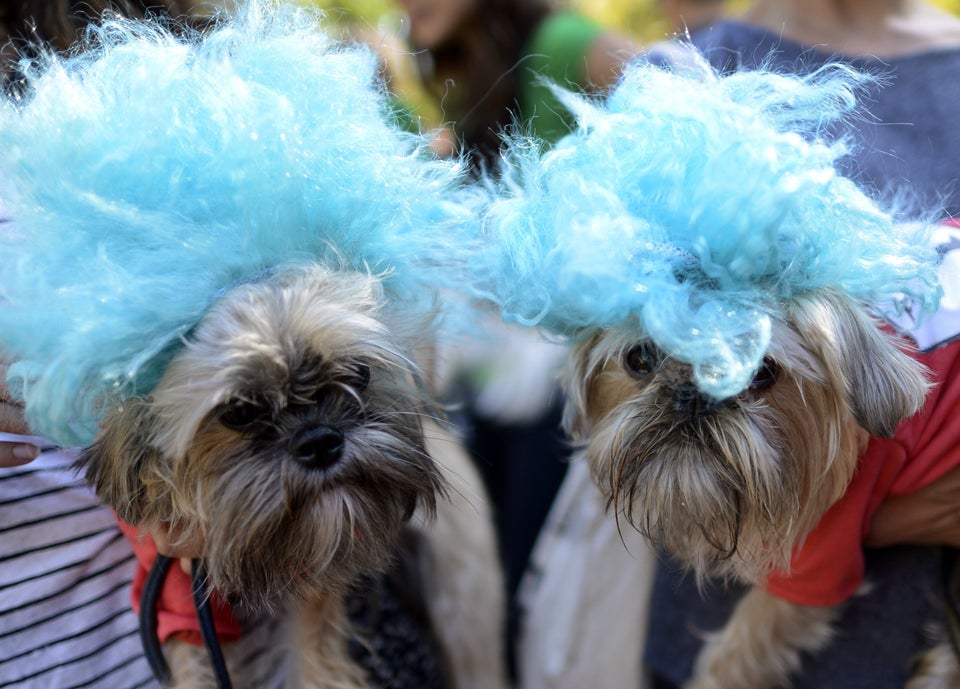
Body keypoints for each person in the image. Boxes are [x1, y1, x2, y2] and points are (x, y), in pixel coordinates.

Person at [0, 4, 449, 688]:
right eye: (245, 412)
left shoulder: (247, 112)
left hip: (277, 623)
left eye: (350, 377)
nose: (315, 434)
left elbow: (413, 339)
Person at [642, 2, 960, 687]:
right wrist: (888, 518)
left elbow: (804, 583)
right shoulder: (677, 73)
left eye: (754, 372)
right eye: (650, 356)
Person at [392, 0, 642, 678]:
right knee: (488, 584)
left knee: (536, 594)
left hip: (562, 391)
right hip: (487, 386)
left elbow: (678, 98)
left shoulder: (561, 41)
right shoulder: (456, 72)